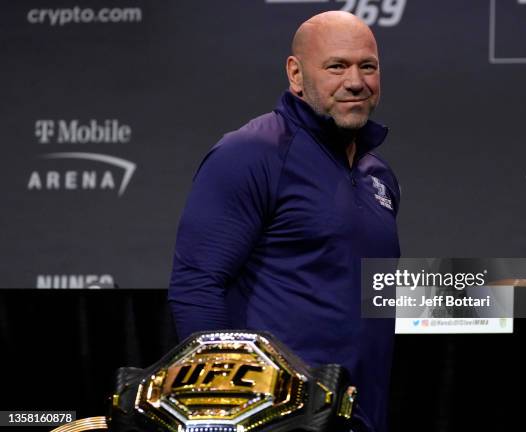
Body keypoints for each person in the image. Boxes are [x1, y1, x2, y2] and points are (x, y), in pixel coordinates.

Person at [169, 11, 400, 432]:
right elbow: (195, 286)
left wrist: (501, 296)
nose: (355, 81)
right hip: (272, 421)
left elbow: (371, 294)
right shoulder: (250, 154)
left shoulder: (377, 175)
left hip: (360, 417)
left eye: (368, 66)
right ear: (296, 74)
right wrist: (220, 416)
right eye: (336, 66)